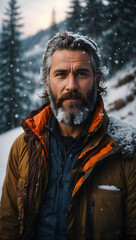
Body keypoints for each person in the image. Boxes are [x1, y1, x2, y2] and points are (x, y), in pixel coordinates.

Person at [0, 31, 136, 240]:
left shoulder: (126, 148)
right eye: (61, 74)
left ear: (97, 80)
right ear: (47, 83)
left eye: (81, 73)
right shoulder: (24, 146)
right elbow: (8, 227)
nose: (71, 85)